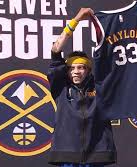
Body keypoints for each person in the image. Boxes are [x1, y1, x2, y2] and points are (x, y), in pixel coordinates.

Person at [47, 8, 116, 167]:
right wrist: (76, 19)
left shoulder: (99, 85)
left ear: (88, 70)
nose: (76, 71)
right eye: (72, 68)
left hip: (96, 153)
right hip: (67, 153)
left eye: (81, 67)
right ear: (67, 70)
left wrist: (135, 19)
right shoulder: (60, 87)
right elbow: (56, 49)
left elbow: (116, 53)